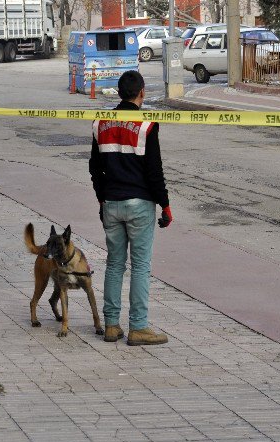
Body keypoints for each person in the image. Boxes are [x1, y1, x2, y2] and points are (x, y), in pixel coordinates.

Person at [89, 70, 172, 346]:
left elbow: (94, 168)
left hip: (111, 203)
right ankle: (138, 327)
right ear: (142, 93)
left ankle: (111, 325)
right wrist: (165, 204)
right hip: (139, 205)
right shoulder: (147, 125)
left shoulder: (101, 122)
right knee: (139, 267)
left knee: (114, 265)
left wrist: (103, 199)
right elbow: (154, 171)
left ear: (120, 92)